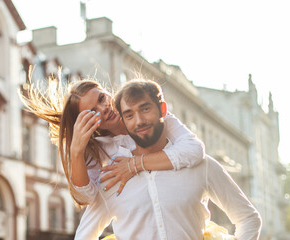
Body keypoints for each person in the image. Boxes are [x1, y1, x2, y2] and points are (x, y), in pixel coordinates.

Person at [74, 79, 261, 240]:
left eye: (145, 109)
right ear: (123, 119)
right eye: (129, 115)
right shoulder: (113, 179)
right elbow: (83, 235)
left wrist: (136, 164)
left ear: (162, 110)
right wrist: (76, 150)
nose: (139, 121)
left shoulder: (201, 166)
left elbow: (249, 218)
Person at [20, 73, 205, 207]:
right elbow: (87, 197)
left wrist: (134, 164)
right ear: (85, 122)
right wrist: (76, 151)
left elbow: (194, 151)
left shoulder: (149, 117)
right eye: (93, 111)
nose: (104, 108)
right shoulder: (99, 150)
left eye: (102, 98)